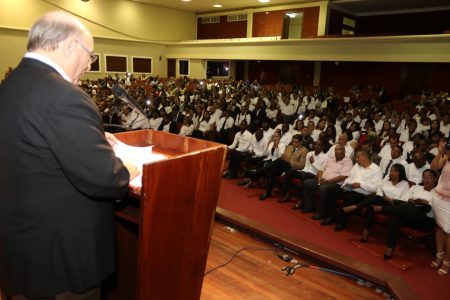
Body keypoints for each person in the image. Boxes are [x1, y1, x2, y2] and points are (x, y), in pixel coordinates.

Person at [0, 12, 134, 300]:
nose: (89, 64)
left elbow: (34, 147)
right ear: (70, 46)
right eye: (90, 55)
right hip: (61, 261)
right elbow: (107, 178)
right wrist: (127, 168)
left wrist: (92, 140)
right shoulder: (64, 95)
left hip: (20, 248)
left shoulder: (12, 84)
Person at [373, 169, 437, 260]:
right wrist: (411, 200)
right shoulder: (416, 187)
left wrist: (426, 203)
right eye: (424, 177)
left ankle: (384, 209)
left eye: (430, 177)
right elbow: (403, 199)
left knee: (416, 210)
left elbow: (434, 211)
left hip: (424, 220)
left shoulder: (438, 193)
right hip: (408, 214)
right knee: (396, 215)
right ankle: (390, 247)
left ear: (435, 179)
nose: (426, 180)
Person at [342, 164, 410, 242]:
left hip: (393, 206)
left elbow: (404, 199)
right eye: (391, 170)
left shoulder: (405, 184)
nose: (392, 172)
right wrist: (384, 198)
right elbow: (379, 191)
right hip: (381, 201)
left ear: (400, 173)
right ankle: (366, 232)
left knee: (376, 199)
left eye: (395, 171)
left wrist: (392, 200)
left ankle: (356, 206)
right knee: (371, 205)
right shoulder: (386, 180)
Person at [430, 140, 450, 275]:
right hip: (438, 196)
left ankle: (447, 261)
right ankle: (439, 254)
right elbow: (434, 167)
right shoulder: (446, 157)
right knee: (439, 227)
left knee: (448, 232)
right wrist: (440, 153)